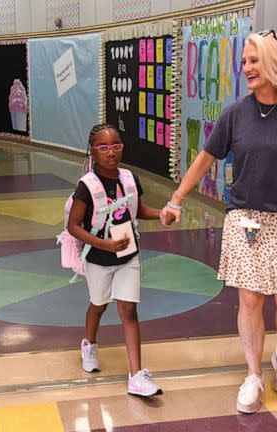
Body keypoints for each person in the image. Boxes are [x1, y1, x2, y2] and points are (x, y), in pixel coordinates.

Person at [160, 30, 277, 414]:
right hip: (246, 217)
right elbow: (204, 159)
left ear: (275, 64)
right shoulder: (236, 113)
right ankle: (253, 374)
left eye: (253, 61)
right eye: (245, 61)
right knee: (250, 298)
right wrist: (176, 199)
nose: (245, 67)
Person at [68, 123, 165, 397]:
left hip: (128, 256)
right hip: (99, 258)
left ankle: (136, 375)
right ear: (93, 151)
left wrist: (162, 214)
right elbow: (73, 226)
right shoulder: (86, 186)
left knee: (129, 311)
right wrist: (105, 244)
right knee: (98, 305)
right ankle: (89, 344)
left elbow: (138, 209)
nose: (111, 153)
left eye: (116, 146)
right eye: (103, 147)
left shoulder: (129, 178)